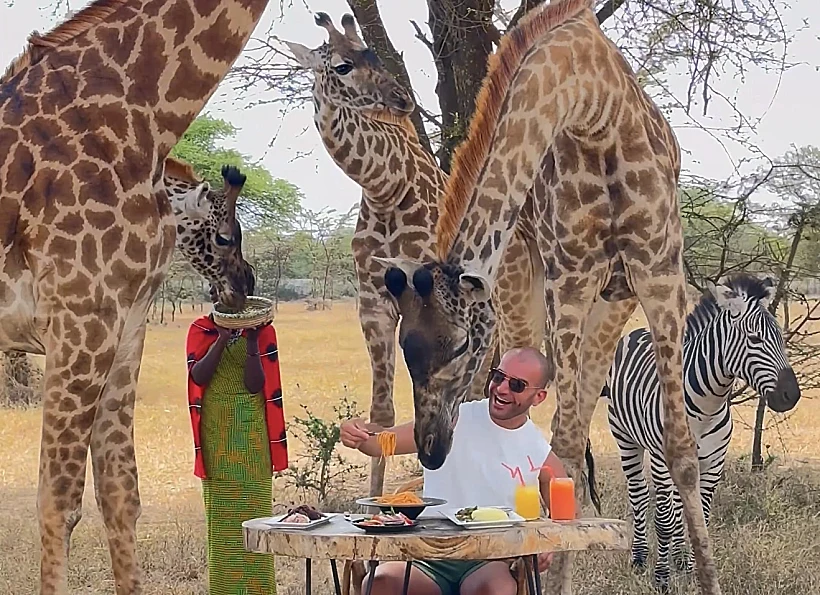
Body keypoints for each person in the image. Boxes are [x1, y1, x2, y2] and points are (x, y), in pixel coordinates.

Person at [340, 346, 573, 595]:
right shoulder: (454, 418)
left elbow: (566, 512)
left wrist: (548, 543)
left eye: (517, 385)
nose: (502, 388)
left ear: (539, 397)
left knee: (495, 590)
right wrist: (356, 433)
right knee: (378, 584)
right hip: (428, 555)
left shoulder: (535, 448)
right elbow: (380, 442)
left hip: (489, 560)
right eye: (498, 377)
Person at [185, 304, 288, 595]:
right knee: (223, 522)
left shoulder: (264, 333)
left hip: (253, 435)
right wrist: (221, 338)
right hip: (217, 435)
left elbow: (255, 385)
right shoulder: (200, 330)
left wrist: (252, 340)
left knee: (256, 520)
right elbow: (199, 376)